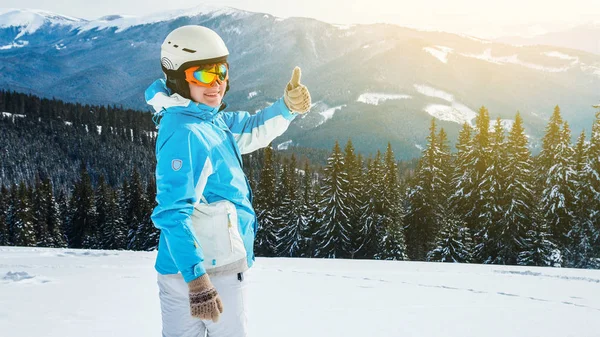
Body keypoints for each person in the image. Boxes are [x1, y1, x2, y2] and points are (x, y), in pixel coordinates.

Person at [144, 25, 311, 337]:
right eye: (204, 75)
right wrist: (198, 283)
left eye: (221, 71)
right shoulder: (188, 133)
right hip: (210, 273)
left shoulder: (208, 120)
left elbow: (251, 128)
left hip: (193, 268)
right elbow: (171, 214)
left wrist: (286, 107)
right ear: (180, 78)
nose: (217, 82)